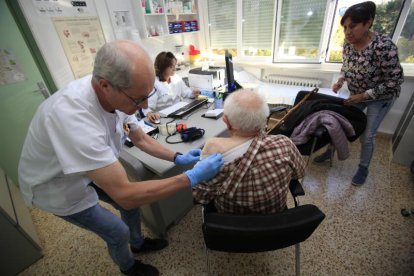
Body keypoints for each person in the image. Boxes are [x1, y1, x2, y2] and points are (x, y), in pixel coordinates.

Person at [18, 40, 224, 276]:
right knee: (116, 231)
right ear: (105, 85)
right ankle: (128, 267)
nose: (145, 105)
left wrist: (177, 157)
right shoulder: (71, 115)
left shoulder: (117, 93)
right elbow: (125, 195)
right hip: (58, 186)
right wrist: (191, 177)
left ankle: (137, 244)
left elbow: (141, 139)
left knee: (132, 207)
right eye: (138, 99)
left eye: (148, 95)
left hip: (89, 168)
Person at [314, 1, 404, 186]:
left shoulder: (384, 46)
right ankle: (330, 151)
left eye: (352, 26)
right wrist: (341, 80)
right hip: (356, 93)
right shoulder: (348, 44)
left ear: (368, 22)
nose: (347, 31)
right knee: (338, 121)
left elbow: (395, 81)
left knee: (368, 135)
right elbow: (346, 67)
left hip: (381, 98)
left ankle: (363, 169)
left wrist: (364, 96)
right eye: (345, 27)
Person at [192, 90, 306, 214]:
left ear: (226, 121)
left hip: (229, 221)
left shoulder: (213, 148)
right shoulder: (285, 144)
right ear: (265, 119)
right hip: (276, 218)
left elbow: (199, 196)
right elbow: (299, 173)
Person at [142, 51, 200, 123]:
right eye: (171, 67)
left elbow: (186, 92)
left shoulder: (176, 78)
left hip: (180, 114)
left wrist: (192, 93)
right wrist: (149, 113)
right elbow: (147, 108)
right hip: (164, 119)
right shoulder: (154, 84)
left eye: (175, 65)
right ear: (162, 67)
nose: (174, 69)